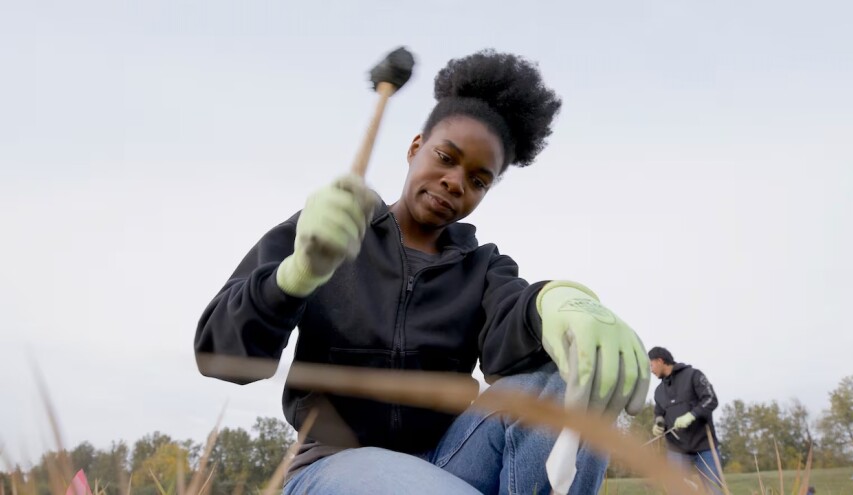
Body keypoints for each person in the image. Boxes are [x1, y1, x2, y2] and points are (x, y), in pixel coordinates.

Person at [195, 49, 651, 495]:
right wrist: (294, 277)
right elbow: (220, 353)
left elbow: (514, 327)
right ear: (416, 147)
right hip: (334, 466)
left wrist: (557, 300)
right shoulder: (326, 229)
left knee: (560, 379)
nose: (456, 182)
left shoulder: (483, 267)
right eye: (446, 158)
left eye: (478, 180)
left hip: (449, 461)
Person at [649, 346, 722, 494]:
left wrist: (692, 415)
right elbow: (659, 413)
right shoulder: (658, 391)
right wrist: (658, 424)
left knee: (714, 491)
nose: (650, 369)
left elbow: (711, 399)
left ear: (660, 360)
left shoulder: (694, 375)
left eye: (651, 365)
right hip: (676, 451)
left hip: (705, 447)